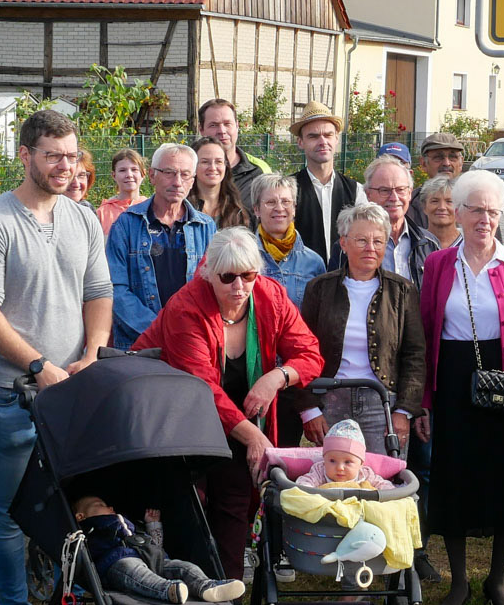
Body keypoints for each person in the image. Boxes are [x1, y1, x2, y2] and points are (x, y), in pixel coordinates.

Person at [0, 109, 113, 605]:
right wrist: (38, 367)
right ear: (25, 156)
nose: (64, 166)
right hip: (13, 393)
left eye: (71, 155)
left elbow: (99, 291)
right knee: (8, 511)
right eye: (52, 155)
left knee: (72, 502)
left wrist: (93, 353)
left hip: (72, 389)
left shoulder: (81, 218)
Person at [132, 227, 324, 580]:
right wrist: (254, 438)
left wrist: (276, 377)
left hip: (239, 421)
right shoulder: (186, 307)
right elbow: (203, 387)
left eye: (248, 275)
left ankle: (228, 596)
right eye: (228, 277)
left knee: (234, 507)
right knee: (189, 511)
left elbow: (309, 353)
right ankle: (185, 589)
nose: (239, 287)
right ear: (208, 273)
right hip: (179, 421)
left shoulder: (271, 296)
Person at [420, 170, 504, 605]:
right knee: (454, 477)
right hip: (454, 379)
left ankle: (497, 579)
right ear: (456, 212)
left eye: (493, 211)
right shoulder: (438, 264)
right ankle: (458, 582)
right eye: (476, 210)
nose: (485, 219)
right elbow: (425, 332)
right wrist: (424, 400)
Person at [299, 202, 428, 452]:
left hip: (382, 404)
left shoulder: (402, 291)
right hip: (331, 401)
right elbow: (303, 350)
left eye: (378, 241)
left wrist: (403, 411)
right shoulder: (319, 289)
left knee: (386, 482)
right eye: (361, 240)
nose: (370, 248)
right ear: (344, 243)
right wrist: (309, 409)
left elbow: (415, 355)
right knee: (335, 484)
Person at [106, 142, 217, 349]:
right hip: (139, 343)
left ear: (192, 181)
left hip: (191, 342)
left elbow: (213, 287)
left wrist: (186, 330)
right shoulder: (126, 224)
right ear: (152, 175)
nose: (177, 182)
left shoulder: (206, 227)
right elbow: (116, 288)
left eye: (185, 175)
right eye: (169, 172)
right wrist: (160, 328)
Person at [71, 497, 244, 605]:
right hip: (116, 562)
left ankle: (206, 586)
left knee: (183, 567)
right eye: (100, 504)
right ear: (81, 517)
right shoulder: (90, 530)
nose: (110, 508)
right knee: (134, 571)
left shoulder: (128, 522)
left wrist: (152, 525)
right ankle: (167, 590)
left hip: (152, 558)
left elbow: (154, 544)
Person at [289, 102, 363, 259]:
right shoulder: (288, 190)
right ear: (300, 142)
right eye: (313, 136)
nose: (323, 141)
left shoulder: (356, 191)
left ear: (336, 139)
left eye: (328, 135)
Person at [355, 153, 436, 285]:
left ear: (410, 193)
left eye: (400, 190)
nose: (394, 198)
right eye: (384, 190)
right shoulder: (350, 245)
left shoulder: (429, 244)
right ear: (368, 195)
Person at [253, 175, 326, 305]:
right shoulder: (245, 257)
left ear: (294, 209)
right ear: (256, 209)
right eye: (270, 202)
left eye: (286, 202)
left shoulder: (313, 262)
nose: (279, 208)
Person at [198, 97, 273, 211]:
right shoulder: (187, 169)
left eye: (227, 124)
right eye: (213, 125)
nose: (222, 131)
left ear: (237, 126)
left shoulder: (259, 171)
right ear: (201, 129)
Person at [295, 421, 394, 489]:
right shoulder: (320, 472)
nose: (340, 468)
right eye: (332, 461)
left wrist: (389, 492)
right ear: (324, 460)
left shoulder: (364, 474)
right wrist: (310, 492)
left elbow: (383, 485)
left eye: (347, 462)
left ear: (361, 464)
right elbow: (304, 483)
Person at [407, 132, 466, 230]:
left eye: (452, 157)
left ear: (461, 163)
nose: (447, 163)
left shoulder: (476, 201)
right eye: (438, 157)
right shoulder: (409, 205)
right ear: (423, 163)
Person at [190, 135, 251, 230]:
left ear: (226, 166)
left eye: (218, 162)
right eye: (205, 162)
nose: (212, 168)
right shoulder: (183, 211)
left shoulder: (239, 214)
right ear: (193, 166)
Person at [98, 147, 146, 235]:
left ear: (143, 174)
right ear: (114, 175)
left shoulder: (152, 208)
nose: (129, 175)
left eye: (134, 170)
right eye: (122, 170)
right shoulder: (102, 213)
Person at [421, 175, 461, 250]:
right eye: (435, 201)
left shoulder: (469, 243)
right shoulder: (416, 242)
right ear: (424, 206)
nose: (442, 207)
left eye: (449, 201)